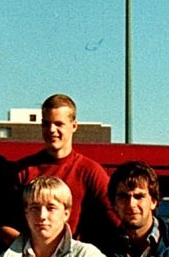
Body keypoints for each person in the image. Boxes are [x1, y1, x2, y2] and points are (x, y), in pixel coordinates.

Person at [6, 94, 119, 248]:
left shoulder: (90, 171)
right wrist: (36, 250)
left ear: (74, 126)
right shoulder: (23, 171)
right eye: (46, 124)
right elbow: (4, 225)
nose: (52, 130)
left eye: (59, 124)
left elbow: (117, 219)